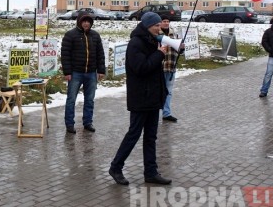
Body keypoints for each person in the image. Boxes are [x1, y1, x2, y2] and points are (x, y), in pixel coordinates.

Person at [109, 12, 171, 185]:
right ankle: (116, 167)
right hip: (141, 97)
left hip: (153, 97)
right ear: (146, 26)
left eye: (160, 25)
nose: (159, 28)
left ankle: (151, 172)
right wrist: (159, 55)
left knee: (151, 137)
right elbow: (141, 68)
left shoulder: (153, 41)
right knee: (134, 134)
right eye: (156, 26)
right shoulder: (136, 43)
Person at [61, 11, 105, 134]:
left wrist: (101, 70)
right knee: (71, 99)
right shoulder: (70, 35)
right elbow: (65, 55)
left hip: (91, 73)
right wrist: (67, 72)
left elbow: (100, 54)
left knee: (90, 99)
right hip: (75, 73)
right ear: (79, 22)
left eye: (88, 22)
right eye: (84, 21)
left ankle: (88, 122)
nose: (86, 24)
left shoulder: (95, 36)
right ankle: (69, 124)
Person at [160, 15, 184, 122]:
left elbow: (179, 50)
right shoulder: (156, 34)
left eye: (167, 21)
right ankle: (154, 113)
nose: (166, 23)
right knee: (158, 91)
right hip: (159, 68)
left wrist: (181, 48)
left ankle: (166, 113)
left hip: (171, 66)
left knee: (168, 91)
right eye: (164, 21)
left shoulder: (174, 34)